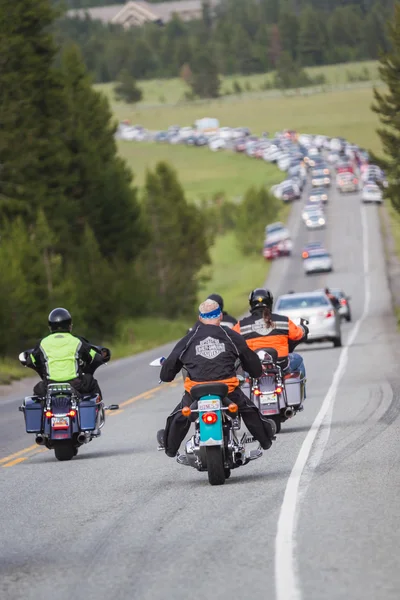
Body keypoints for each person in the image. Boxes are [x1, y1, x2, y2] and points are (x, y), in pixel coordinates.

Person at [158, 299, 276, 462]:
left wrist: (167, 374)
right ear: (220, 315)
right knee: (250, 411)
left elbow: (168, 371)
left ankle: (170, 449)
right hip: (227, 390)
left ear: (200, 317)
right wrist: (256, 371)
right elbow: (252, 363)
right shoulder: (231, 336)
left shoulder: (188, 339)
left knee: (179, 416)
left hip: (196, 392)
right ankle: (265, 440)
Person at [23, 308, 108, 398]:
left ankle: (42, 411)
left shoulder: (42, 343)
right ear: (70, 326)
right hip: (76, 384)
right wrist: (102, 355)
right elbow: (93, 355)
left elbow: (31, 359)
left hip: (49, 385)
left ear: (50, 327)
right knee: (91, 381)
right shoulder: (77, 341)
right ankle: (98, 410)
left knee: (37, 391)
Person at [233, 288, 308, 380]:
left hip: (253, 367)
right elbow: (298, 335)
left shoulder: (241, 325)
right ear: (270, 303)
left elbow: (232, 341)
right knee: (298, 359)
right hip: (282, 365)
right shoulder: (284, 321)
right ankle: (299, 393)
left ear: (251, 304)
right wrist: (303, 328)